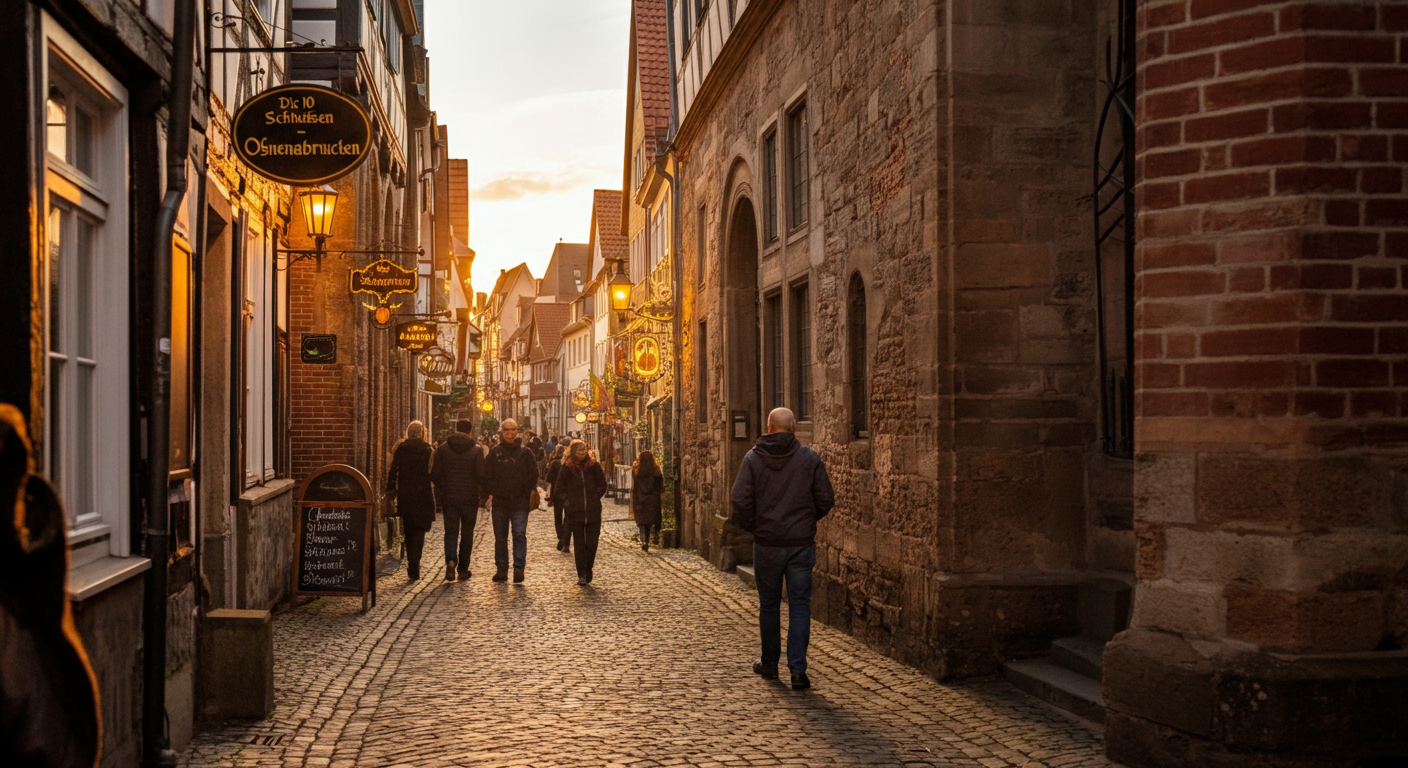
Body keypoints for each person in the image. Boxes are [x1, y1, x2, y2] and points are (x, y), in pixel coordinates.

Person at [729, 407, 835, 690]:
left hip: (767, 543)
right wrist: (805, 521)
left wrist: (756, 526)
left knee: (769, 604)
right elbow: (825, 498)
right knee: (800, 605)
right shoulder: (809, 459)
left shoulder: (753, 459)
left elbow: (739, 499)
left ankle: (769, 663)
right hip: (800, 544)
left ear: (768, 428)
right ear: (793, 429)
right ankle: (798, 671)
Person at [480, 418, 539, 583]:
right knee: (500, 538)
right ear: (502, 432)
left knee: (519, 535)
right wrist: (493, 492)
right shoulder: (494, 453)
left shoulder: (526, 453)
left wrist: (524, 490)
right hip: (500, 502)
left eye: (513, 430)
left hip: (520, 502)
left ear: (517, 432)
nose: (510, 434)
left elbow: (533, 474)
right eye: (507, 430)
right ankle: (501, 569)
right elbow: (487, 476)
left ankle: (519, 568)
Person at [430, 419, 482, 582]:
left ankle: (451, 560)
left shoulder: (443, 449)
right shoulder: (476, 450)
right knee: (467, 533)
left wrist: (444, 488)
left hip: (449, 498)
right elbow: (481, 475)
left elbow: (435, 474)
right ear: (470, 431)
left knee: (451, 531)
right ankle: (463, 569)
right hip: (470, 498)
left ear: (456, 428)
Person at [386, 420, 437, 581]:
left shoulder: (401, 448)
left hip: (406, 494)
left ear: (408, 432)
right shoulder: (428, 450)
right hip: (423, 495)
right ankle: (416, 563)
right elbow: (433, 473)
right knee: (420, 530)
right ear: (422, 433)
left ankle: (412, 564)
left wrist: (390, 490)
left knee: (408, 531)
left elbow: (393, 470)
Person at [553, 439, 607, 585]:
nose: (582, 452)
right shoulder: (567, 467)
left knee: (592, 543)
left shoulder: (594, 466)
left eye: (584, 449)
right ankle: (581, 573)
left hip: (593, 511)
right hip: (575, 512)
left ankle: (588, 568)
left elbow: (602, 485)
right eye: (579, 450)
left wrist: (594, 497)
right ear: (573, 452)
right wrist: (568, 502)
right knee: (579, 544)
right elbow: (559, 489)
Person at [631, 450, 664, 552]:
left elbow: (635, 487)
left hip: (640, 499)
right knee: (650, 522)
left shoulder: (637, 472)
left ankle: (644, 541)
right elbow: (660, 486)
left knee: (642, 523)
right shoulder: (656, 472)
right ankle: (652, 538)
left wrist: (635, 499)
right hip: (653, 499)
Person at [543, 444, 570, 553]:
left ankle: (561, 537)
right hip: (568, 494)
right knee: (568, 518)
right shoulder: (569, 463)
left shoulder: (554, 463)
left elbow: (548, 479)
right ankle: (566, 541)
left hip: (557, 493)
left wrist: (548, 494)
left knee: (558, 517)